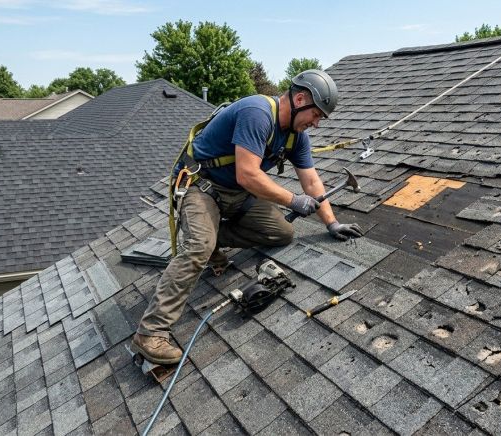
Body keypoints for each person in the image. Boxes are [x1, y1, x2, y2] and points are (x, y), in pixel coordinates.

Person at [131, 69, 363, 364]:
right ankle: (150, 332)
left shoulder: (296, 136)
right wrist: (293, 200)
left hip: (237, 194)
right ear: (300, 98)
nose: (315, 124)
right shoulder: (258, 113)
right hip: (202, 187)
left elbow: (312, 182)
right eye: (316, 115)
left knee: (282, 233)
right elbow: (248, 174)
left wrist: (331, 222)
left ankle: (212, 234)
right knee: (198, 248)